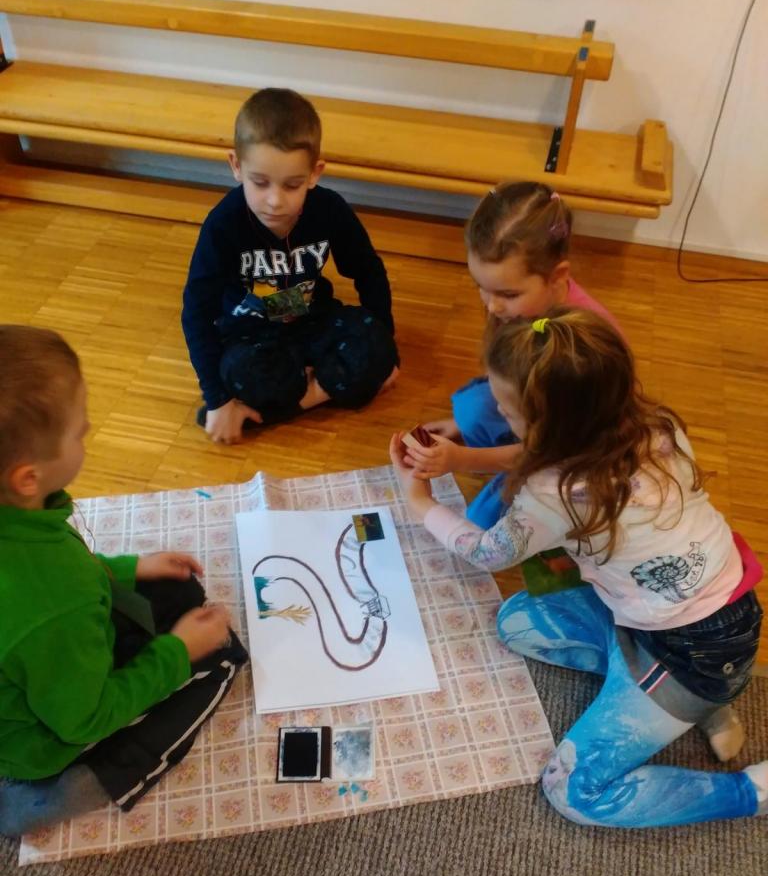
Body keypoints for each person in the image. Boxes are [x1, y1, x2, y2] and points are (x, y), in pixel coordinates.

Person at [391, 309, 765, 828]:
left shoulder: (555, 494)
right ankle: (672, 697)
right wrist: (461, 459)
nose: (498, 417)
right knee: (516, 622)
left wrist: (418, 501)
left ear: (551, 426)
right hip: (699, 608)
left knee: (572, 789)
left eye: (507, 411)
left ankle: (748, 787)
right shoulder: (657, 424)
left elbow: (488, 553)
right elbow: (544, 454)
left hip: (696, 653)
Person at [0, 326, 248, 836]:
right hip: (43, 740)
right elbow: (84, 717)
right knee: (220, 658)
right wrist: (179, 653)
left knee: (178, 594)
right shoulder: (54, 603)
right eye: (78, 431)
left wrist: (128, 568)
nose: (90, 427)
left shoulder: (23, 524)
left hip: (44, 666)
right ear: (27, 478)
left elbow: (57, 569)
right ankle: (57, 792)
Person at [182, 87, 399, 445]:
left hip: (313, 317)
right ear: (236, 166)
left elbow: (368, 271)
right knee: (242, 373)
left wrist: (386, 349)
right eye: (260, 182)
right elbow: (196, 311)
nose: (274, 201)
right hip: (250, 331)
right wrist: (217, 399)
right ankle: (323, 386)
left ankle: (281, 406)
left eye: (292, 185)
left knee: (376, 342)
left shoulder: (330, 209)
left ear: (314, 173)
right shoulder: (223, 225)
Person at [404, 181, 620, 529]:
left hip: (577, 454)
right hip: (545, 420)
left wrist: (463, 458)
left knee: (480, 523)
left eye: (507, 294)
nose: (492, 306)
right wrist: (463, 433)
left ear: (558, 276)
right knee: (470, 410)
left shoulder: (578, 351)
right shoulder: (519, 305)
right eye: (481, 287)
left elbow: (555, 450)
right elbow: (508, 383)